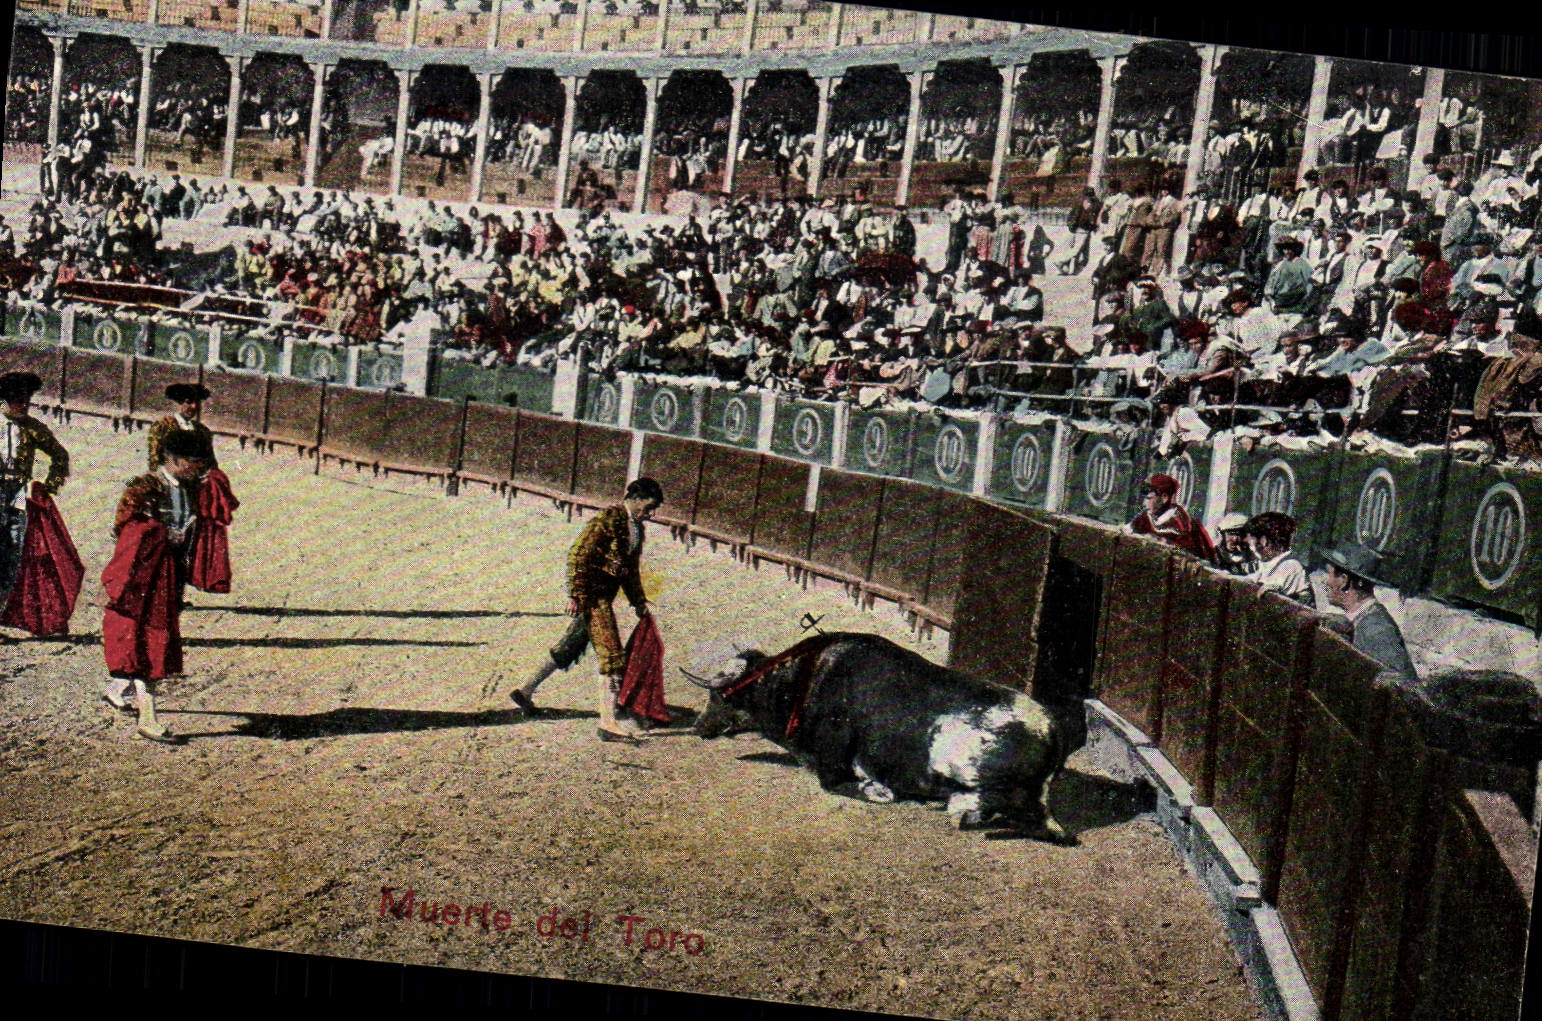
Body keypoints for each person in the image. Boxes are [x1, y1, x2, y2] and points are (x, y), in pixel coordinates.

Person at [513, 478, 666, 743]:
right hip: (594, 598)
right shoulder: (607, 520)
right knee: (612, 655)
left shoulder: (636, 528)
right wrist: (577, 595)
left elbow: (630, 571)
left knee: (570, 646)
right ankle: (608, 722)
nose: (651, 514)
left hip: (602, 595)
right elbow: (579, 555)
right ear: (636, 498)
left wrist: (638, 600)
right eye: (650, 507)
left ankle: (525, 690)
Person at [100, 431, 211, 744]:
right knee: (149, 640)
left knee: (148, 636)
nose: (197, 468)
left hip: (170, 574)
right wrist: (162, 536)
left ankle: (116, 690)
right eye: (192, 462)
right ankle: (148, 718)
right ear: (174, 460)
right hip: (142, 577)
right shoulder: (144, 486)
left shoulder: (189, 488)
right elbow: (124, 530)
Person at [1, 372, 76, 639]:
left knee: (12, 558)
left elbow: (60, 456)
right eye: (16, 399)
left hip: (18, 497)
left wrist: (49, 485)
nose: (22, 404)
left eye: (25, 399)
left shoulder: (33, 428)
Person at [1321, 543, 1416, 685]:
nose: (1326, 582)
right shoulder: (1363, 618)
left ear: (1344, 581)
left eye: (1329, 574)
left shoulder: (1376, 627)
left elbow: (1403, 684)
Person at [1128, 473, 1215, 562]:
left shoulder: (1185, 528)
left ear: (1164, 498)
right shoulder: (1143, 519)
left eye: (1149, 498)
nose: (1144, 504)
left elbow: (1193, 560)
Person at [1244, 511, 1315, 607]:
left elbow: (1274, 586)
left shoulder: (1290, 565)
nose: (1252, 548)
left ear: (1265, 541)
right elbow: (1254, 578)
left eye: (1254, 542)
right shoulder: (1270, 563)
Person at [147, 383, 217, 472]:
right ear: (179, 402)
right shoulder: (162, 426)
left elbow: (210, 463)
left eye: (197, 402)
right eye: (189, 402)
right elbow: (155, 460)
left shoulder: (202, 430)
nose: (194, 406)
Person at [1213, 512, 1256, 576]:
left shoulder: (1252, 556)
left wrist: (1246, 556)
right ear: (1223, 535)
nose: (1235, 538)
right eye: (1231, 533)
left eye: (1239, 534)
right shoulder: (1214, 553)